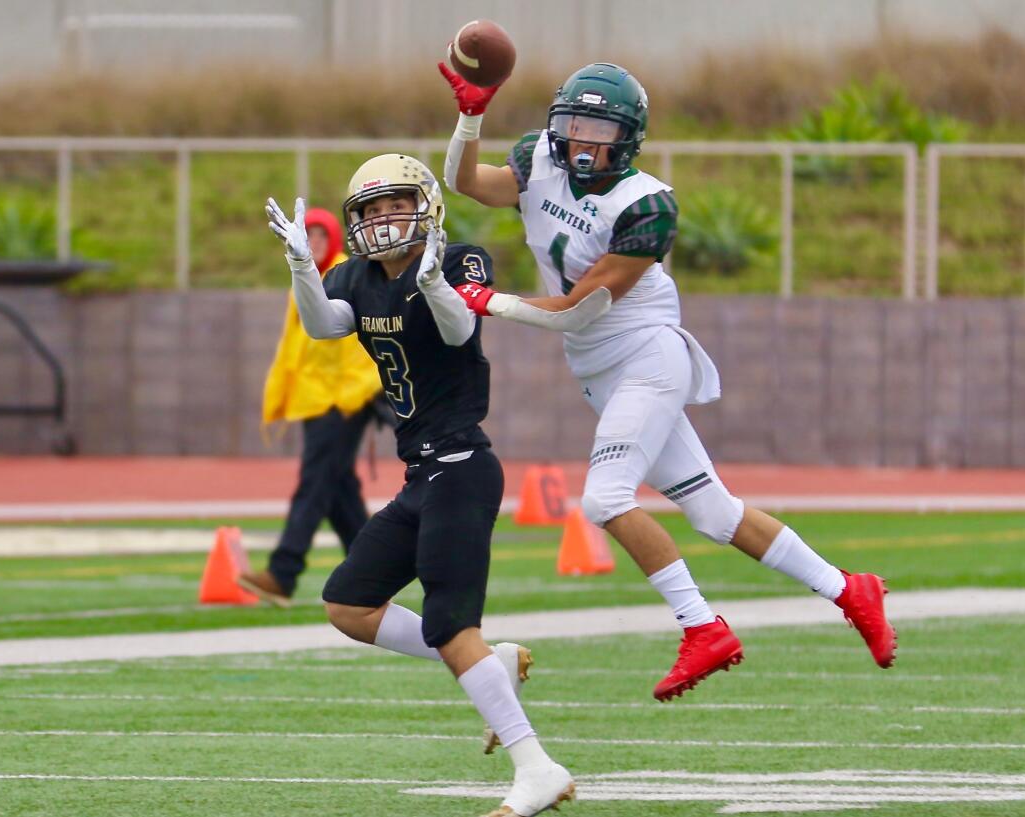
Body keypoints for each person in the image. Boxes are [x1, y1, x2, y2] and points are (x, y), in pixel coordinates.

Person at [437, 60, 897, 702]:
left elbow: (581, 306)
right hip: (598, 367)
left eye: (597, 127)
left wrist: (488, 302)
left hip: (645, 354)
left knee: (604, 498)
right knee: (714, 512)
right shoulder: (540, 157)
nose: (580, 139)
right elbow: (467, 184)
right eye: (572, 122)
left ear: (626, 137)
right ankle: (851, 590)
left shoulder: (646, 204)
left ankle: (702, 626)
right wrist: (471, 115)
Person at [265, 153, 604, 816]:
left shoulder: (457, 259)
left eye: (396, 204)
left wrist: (436, 286)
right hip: (422, 472)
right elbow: (322, 324)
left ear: (424, 205)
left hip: (463, 467)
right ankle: (492, 663)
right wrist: (303, 269)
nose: (384, 218)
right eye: (372, 209)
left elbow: (459, 327)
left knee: (451, 621)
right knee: (349, 601)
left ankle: (536, 766)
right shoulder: (355, 277)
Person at [239, 207, 384, 608]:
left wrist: (358, 391)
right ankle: (374, 568)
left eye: (321, 236)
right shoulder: (304, 277)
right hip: (316, 397)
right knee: (338, 490)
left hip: (343, 398)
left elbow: (357, 346)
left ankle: (283, 573)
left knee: (314, 484)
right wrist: (282, 394)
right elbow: (295, 348)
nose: (314, 243)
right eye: (309, 235)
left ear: (334, 238)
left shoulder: (345, 275)